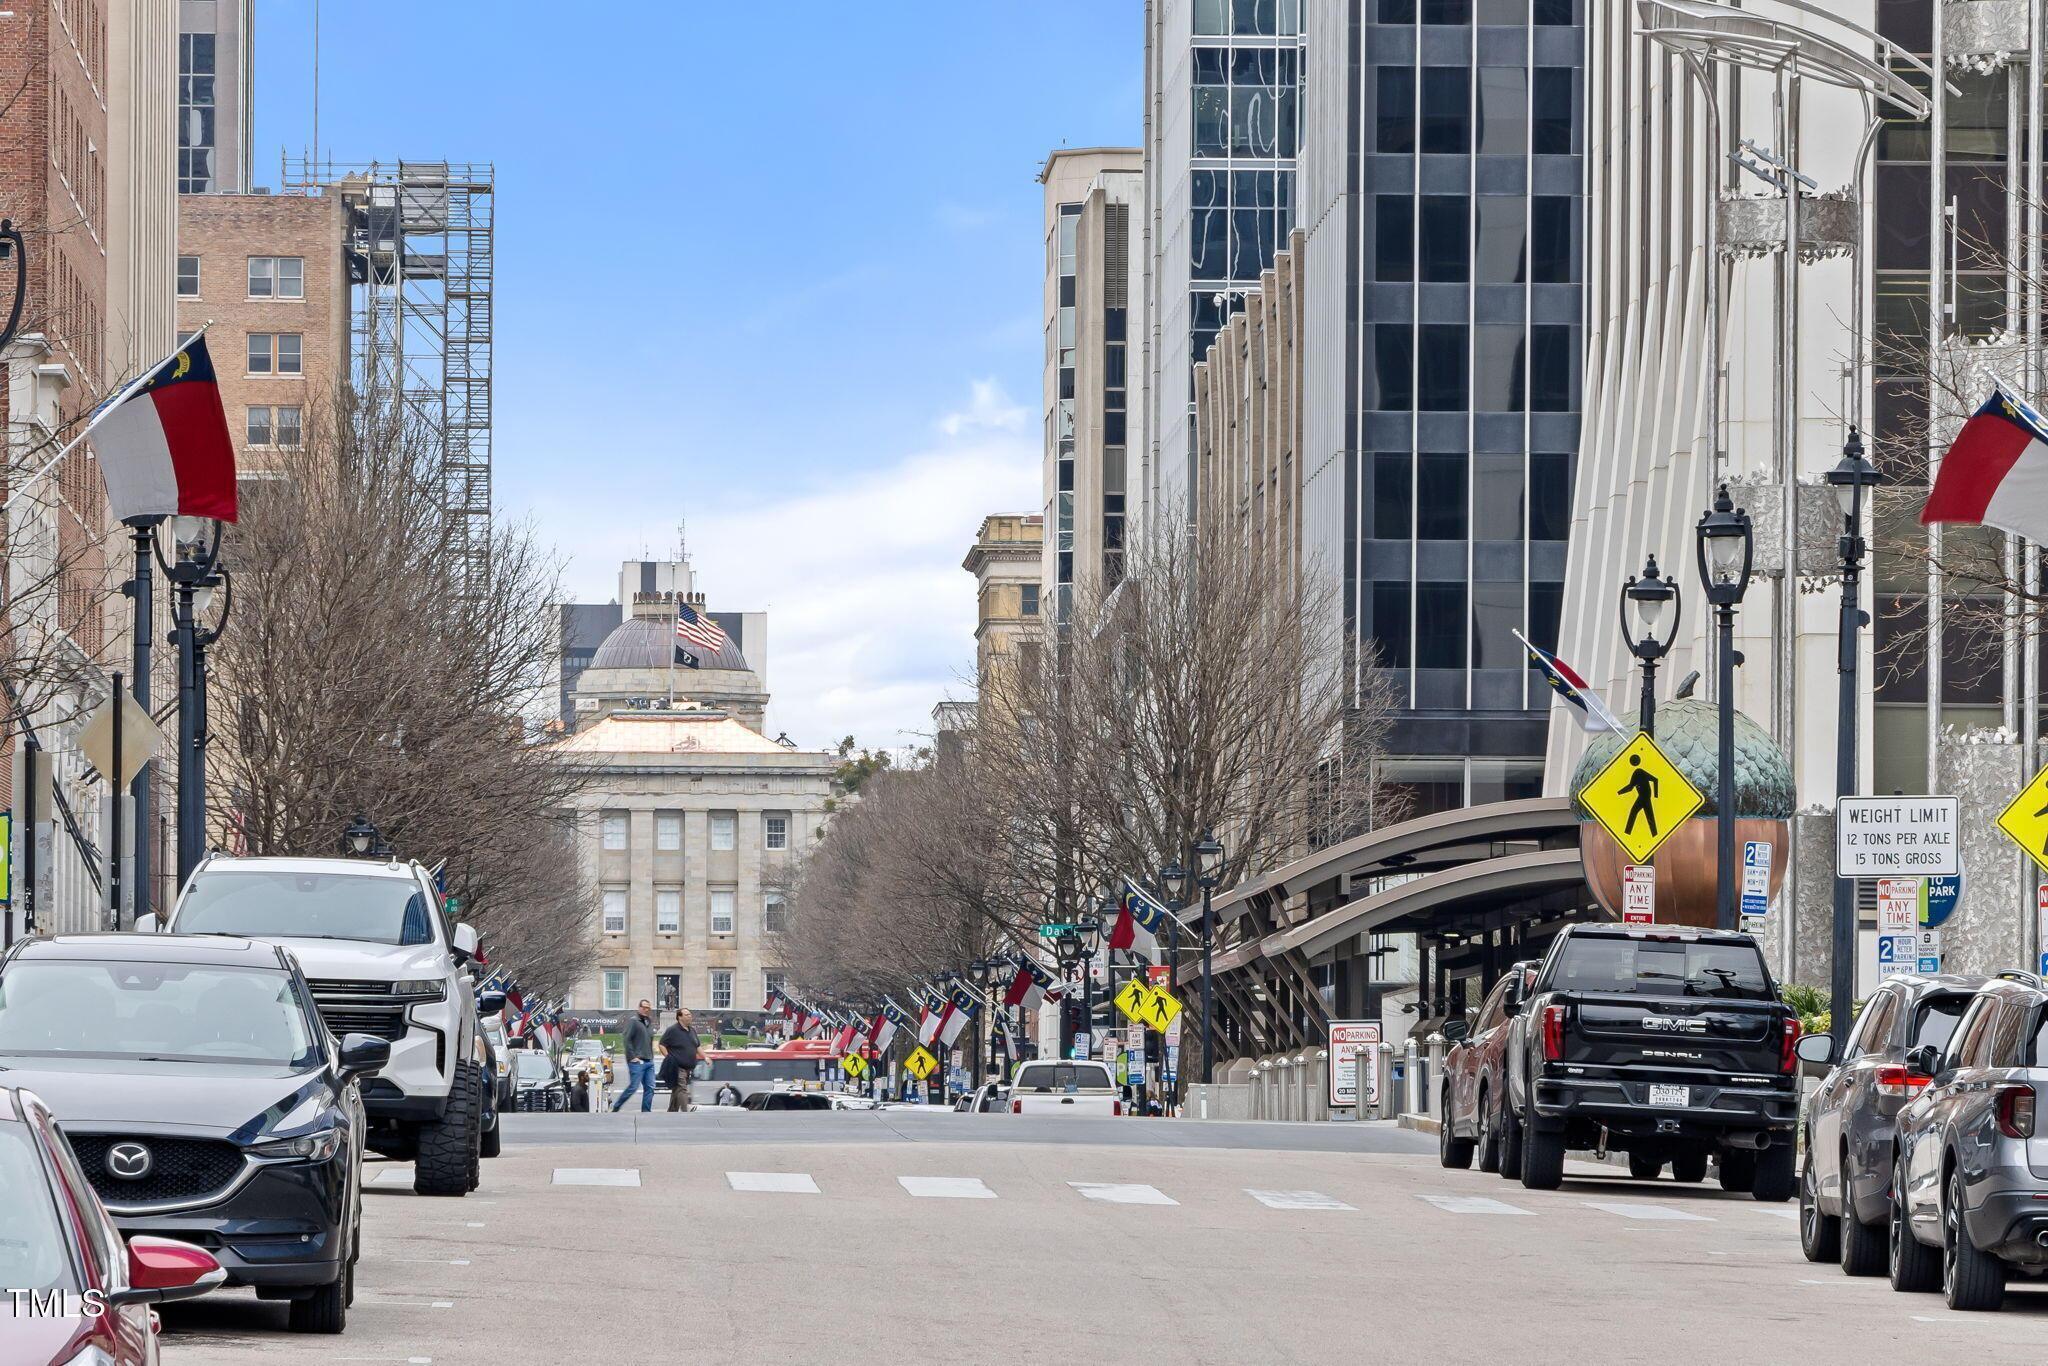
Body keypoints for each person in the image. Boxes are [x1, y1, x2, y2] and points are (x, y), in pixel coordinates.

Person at [611, 1000, 657, 1113]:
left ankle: (646, 1112)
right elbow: (627, 1039)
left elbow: (650, 1040)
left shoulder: (648, 1022)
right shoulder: (633, 1021)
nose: (646, 1010)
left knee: (650, 1088)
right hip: (637, 1061)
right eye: (644, 1007)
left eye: (648, 1008)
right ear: (639, 1008)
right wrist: (632, 1056)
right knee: (633, 1087)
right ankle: (616, 1106)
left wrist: (651, 1056)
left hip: (648, 1061)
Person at [659, 1007, 701, 1112]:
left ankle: (672, 1112)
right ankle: (685, 1111)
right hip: (677, 1066)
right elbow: (662, 1045)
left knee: (677, 1090)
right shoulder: (672, 1030)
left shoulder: (692, 1031)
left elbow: (697, 1046)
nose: (690, 1016)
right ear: (679, 1017)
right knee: (682, 1089)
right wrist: (669, 1058)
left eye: (690, 1014)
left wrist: (706, 1057)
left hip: (688, 1068)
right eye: (687, 1015)